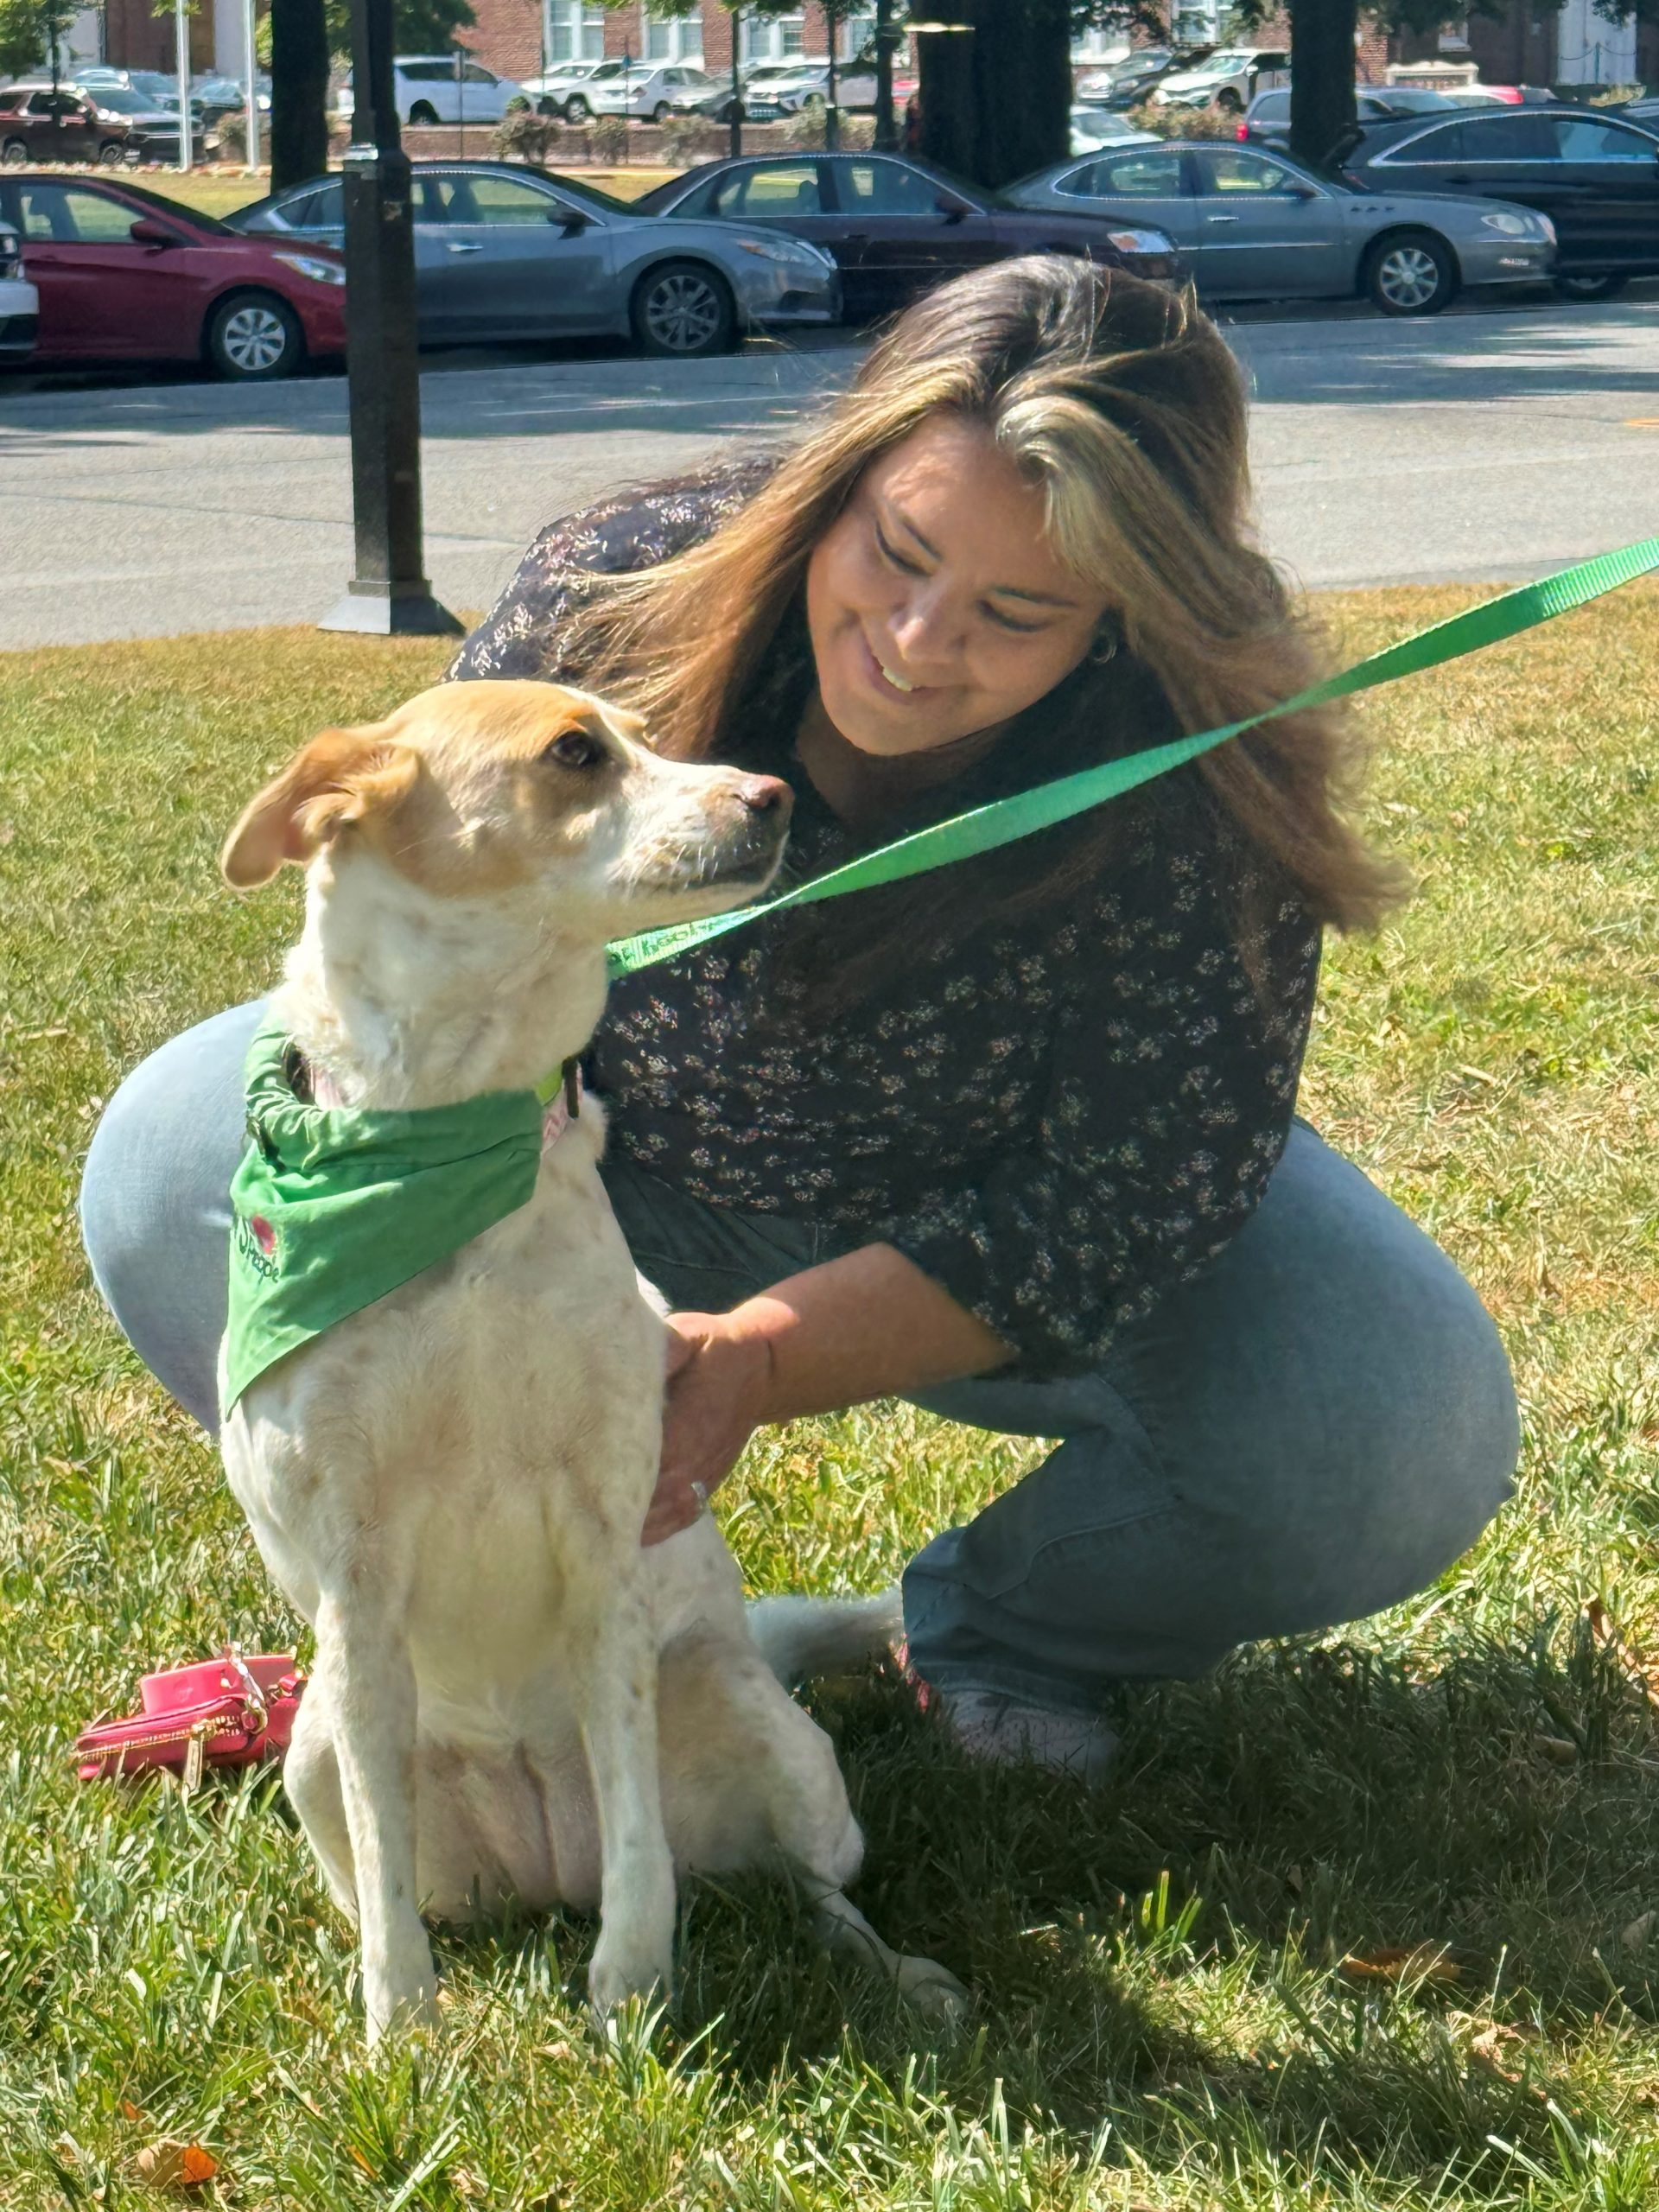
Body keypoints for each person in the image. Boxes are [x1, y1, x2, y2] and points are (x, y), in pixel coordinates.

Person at [80, 260, 1519, 1783]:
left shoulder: (1200, 757)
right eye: (895, 551)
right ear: (836, 483)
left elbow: (1132, 1193)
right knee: (177, 1159)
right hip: (594, 1174)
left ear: (1122, 622)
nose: (914, 639)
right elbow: (441, 901)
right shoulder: (621, 583)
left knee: (1392, 1428)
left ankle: (996, 1627)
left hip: (1001, 1231)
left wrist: (764, 1353)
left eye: (1014, 612)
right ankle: (432, 1656)